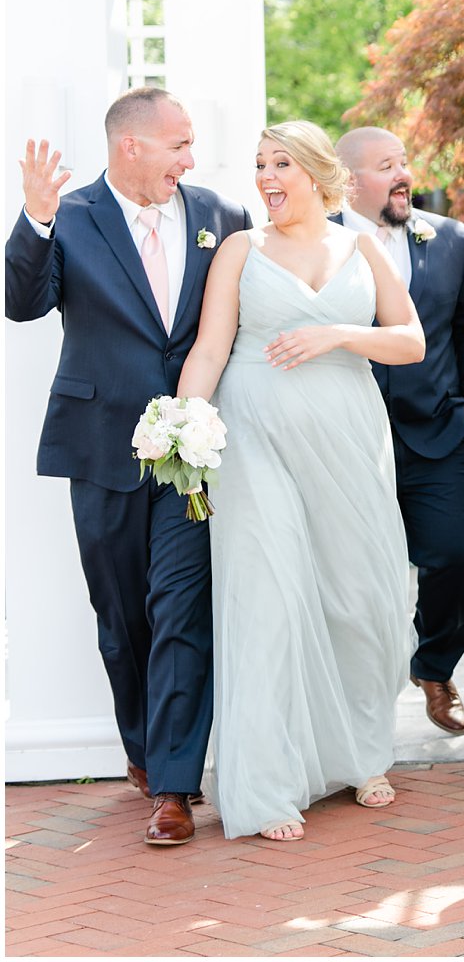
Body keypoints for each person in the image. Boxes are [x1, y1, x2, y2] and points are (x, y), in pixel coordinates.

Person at [5, 88, 252, 846]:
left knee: (181, 609)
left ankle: (175, 786)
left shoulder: (221, 216)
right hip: (101, 442)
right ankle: (144, 748)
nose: (191, 157)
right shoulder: (72, 217)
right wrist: (36, 221)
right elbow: (22, 303)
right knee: (122, 617)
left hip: (191, 450)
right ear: (130, 148)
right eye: (178, 144)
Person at [176, 120, 423, 841]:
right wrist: (186, 428)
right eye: (259, 164)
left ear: (319, 173)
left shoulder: (362, 246)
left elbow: (410, 342)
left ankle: (360, 754)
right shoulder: (240, 252)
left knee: (360, 598)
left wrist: (340, 335)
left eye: (281, 162)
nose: (266, 176)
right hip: (254, 439)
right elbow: (210, 349)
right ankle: (268, 784)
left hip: (349, 440)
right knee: (270, 600)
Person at [335, 127, 464, 736]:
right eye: (386, 166)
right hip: (347, 437)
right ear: (350, 181)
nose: (403, 174)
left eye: (404, 162)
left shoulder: (449, 237)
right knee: (351, 572)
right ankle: (356, 699)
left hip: (436, 431)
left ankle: (434, 666)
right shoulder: (319, 240)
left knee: (457, 556)